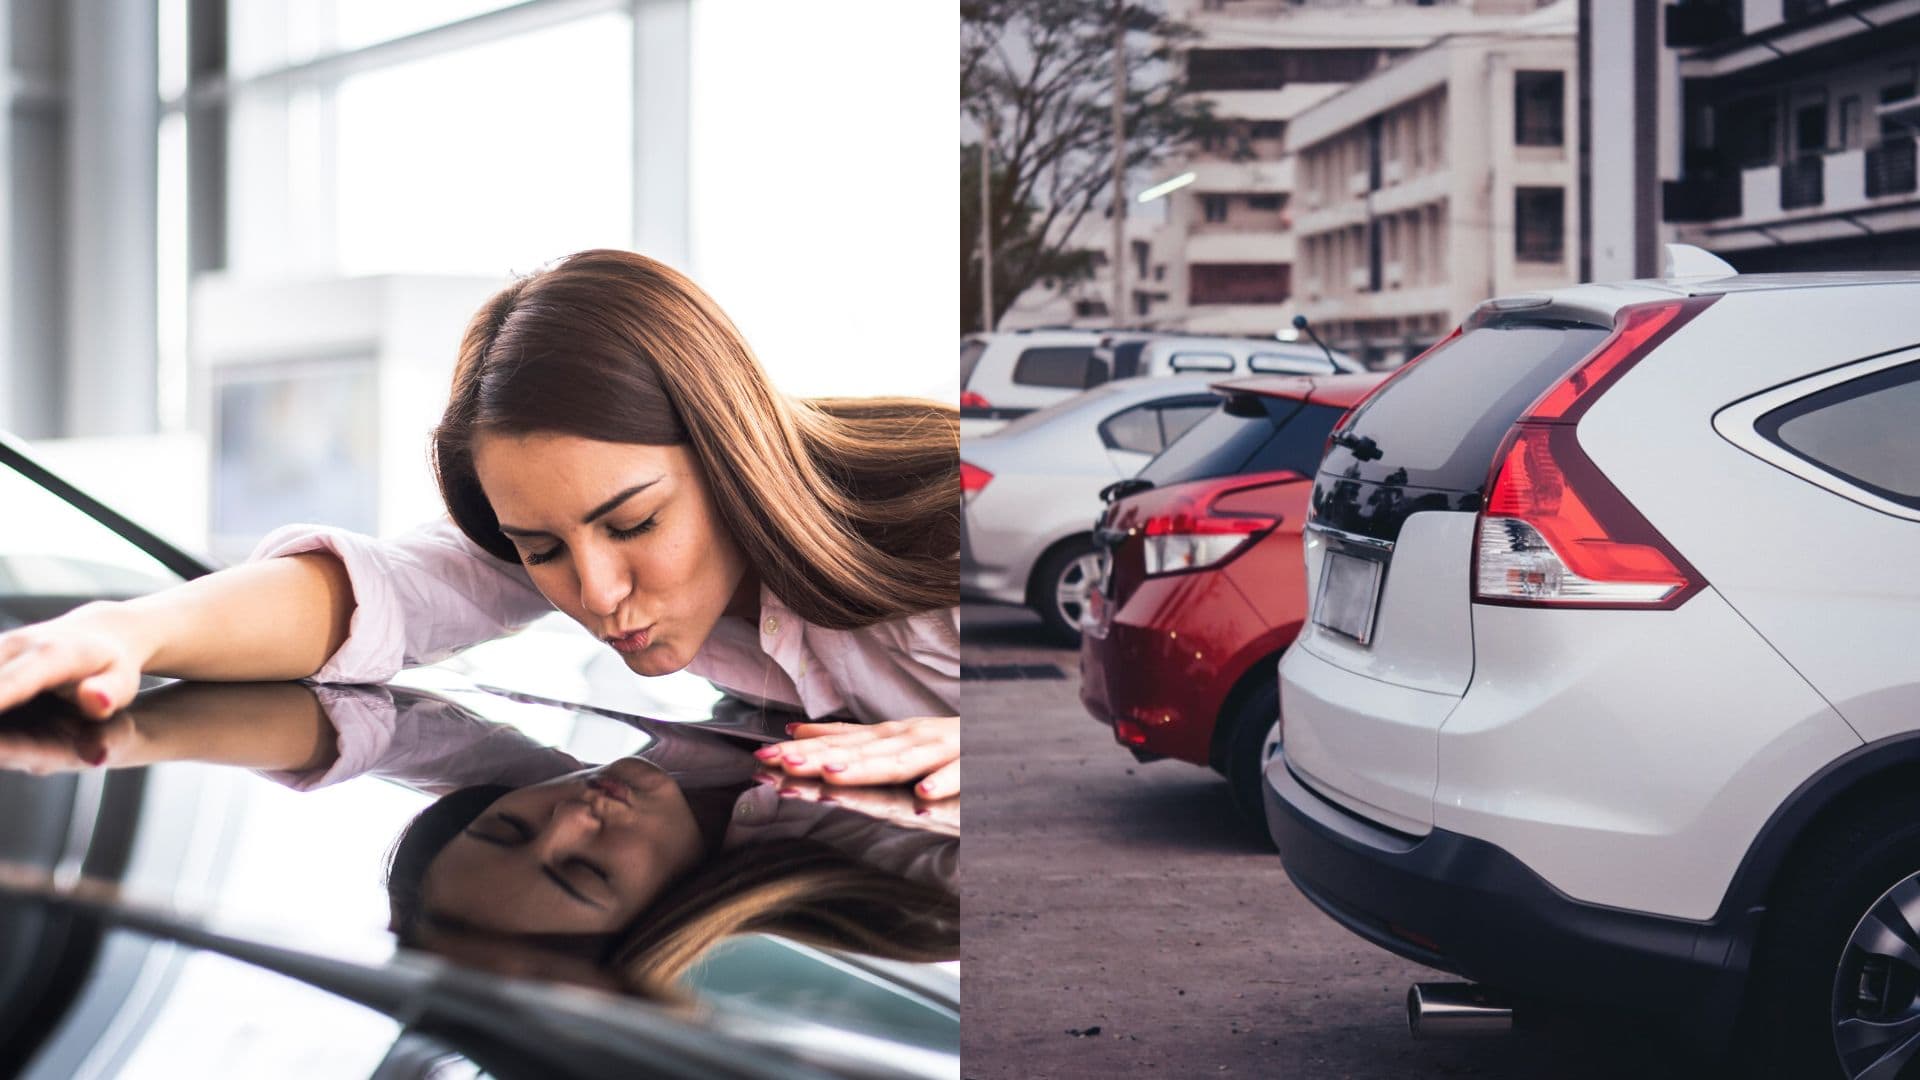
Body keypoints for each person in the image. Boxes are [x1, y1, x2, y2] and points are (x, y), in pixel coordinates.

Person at [0, 249, 961, 797]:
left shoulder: (954, 529)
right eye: (541, 549)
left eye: (633, 525)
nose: (595, 595)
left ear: (729, 455)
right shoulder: (573, 531)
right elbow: (390, 595)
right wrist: (124, 629)